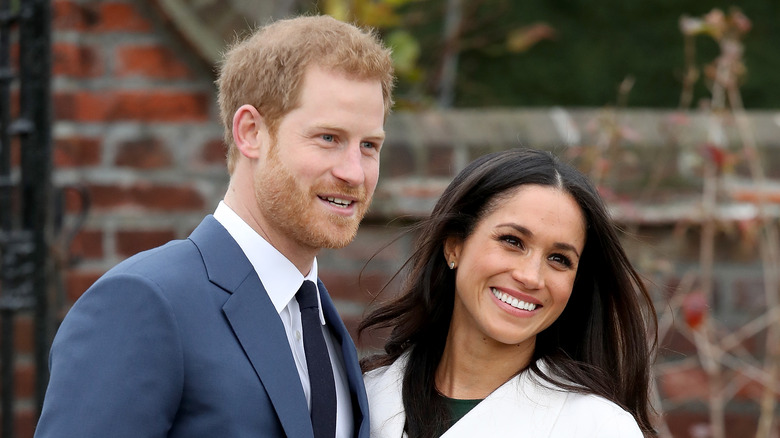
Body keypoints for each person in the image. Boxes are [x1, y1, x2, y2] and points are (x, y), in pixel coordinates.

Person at [35, 15, 394, 438]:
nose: (355, 172)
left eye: (369, 145)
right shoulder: (144, 302)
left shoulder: (323, 325)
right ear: (250, 132)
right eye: (328, 138)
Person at [359, 148, 658, 437]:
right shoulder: (362, 397)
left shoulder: (600, 428)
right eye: (512, 241)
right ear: (455, 245)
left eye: (559, 259)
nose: (531, 277)